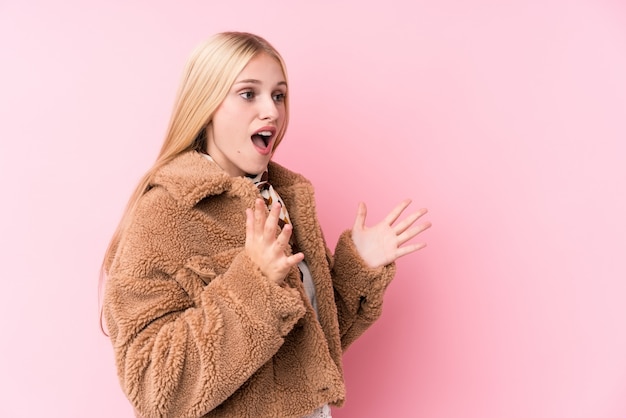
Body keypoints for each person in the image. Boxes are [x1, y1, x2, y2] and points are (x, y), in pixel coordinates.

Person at [101, 31, 431, 418]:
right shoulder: (164, 213)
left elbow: (310, 349)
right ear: (206, 104)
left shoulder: (282, 198)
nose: (272, 111)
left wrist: (358, 268)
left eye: (278, 95)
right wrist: (254, 282)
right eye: (248, 93)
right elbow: (155, 388)